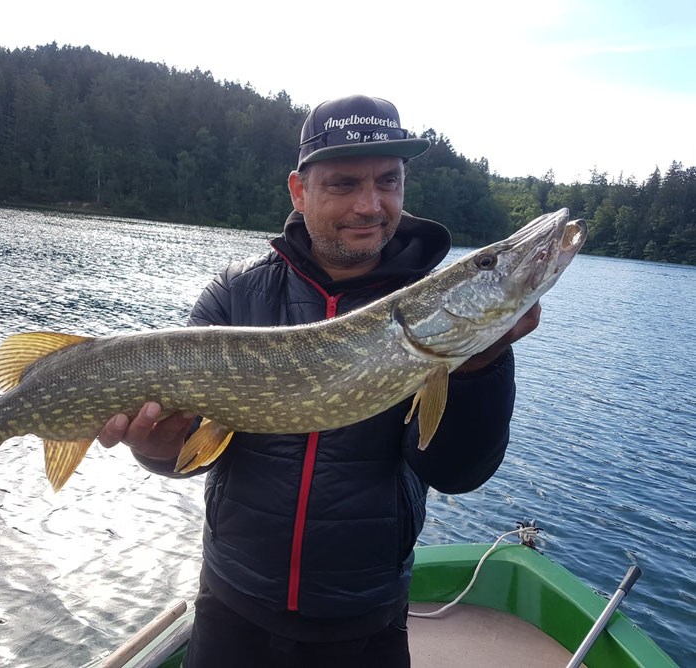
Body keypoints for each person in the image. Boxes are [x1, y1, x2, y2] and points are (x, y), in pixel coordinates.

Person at [98, 95, 539, 667]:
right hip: (233, 607)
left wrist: (479, 364)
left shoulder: (436, 311)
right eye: (343, 184)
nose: (370, 205)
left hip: (365, 620)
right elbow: (190, 449)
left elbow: (456, 472)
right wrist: (156, 449)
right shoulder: (236, 296)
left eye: (388, 181)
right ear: (299, 191)